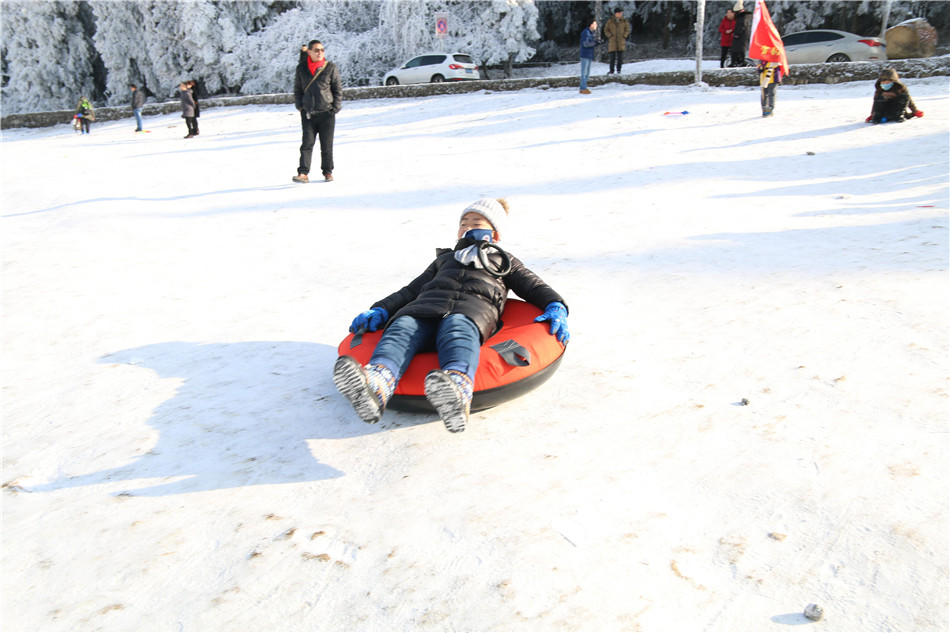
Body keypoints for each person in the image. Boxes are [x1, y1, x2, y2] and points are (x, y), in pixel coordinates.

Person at [333, 198, 570, 433]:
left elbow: (533, 286)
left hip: (472, 310)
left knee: (458, 328)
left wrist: (556, 305)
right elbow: (411, 290)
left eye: (476, 223)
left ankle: (457, 387)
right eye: (463, 223)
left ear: (495, 234)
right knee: (402, 327)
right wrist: (381, 308)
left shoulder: (503, 260)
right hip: (424, 308)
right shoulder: (445, 260)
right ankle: (378, 382)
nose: (467, 227)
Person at [293, 39, 343, 183]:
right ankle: (303, 173)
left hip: (327, 112)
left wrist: (335, 108)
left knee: (326, 145)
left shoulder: (330, 67)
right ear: (309, 52)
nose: (320, 52)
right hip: (308, 113)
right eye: (316, 50)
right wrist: (300, 106)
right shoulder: (302, 68)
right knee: (306, 144)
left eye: (322, 50)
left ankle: (327, 172)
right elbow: (297, 89)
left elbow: (337, 89)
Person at [604, 8, 630, 75]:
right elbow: (606, 30)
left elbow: (627, 29)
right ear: (616, 13)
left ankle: (619, 70)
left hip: (621, 41)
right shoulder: (610, 21)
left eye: (621, 13)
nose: (621, 14)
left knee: (620, 58)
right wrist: (610, 36)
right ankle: (611, 70)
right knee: (612, 58)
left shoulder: (624, 21)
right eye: (619, 13)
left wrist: (624, 36)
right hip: (612, 42)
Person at [730, 1, 752, 67]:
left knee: (738, 49)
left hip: (741, 36)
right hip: (742, 36)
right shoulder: (743, 16)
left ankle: (738, 61)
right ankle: (738, 61)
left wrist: (737, 33)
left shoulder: (742, 17)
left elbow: (742, 25)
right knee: (738, 49)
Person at [579, 19, 598, 94]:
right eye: (595, 24)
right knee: (584, 72)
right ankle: (583, 88)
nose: (596, 26)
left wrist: (596, 43)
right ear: (591, 24)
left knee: (587, 72)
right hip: (585, 55)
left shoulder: (590, 33)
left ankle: (584, 87)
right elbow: (585, 44)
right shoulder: (586, 32)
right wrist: (595, 43)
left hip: (589, 55)